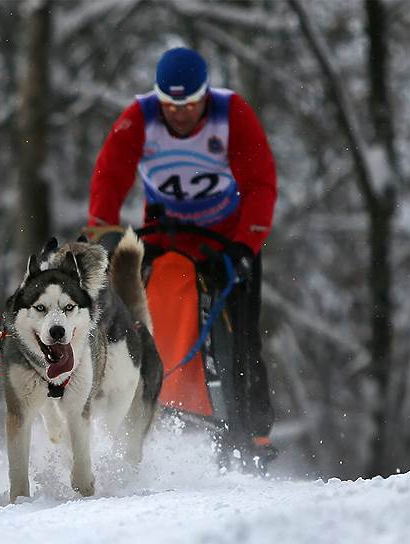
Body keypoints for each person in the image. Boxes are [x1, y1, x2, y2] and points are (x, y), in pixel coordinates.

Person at [83, 46, 277, 459]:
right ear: (158, 99)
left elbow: (260, 184)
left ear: (205, 95)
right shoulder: (139, 118)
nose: (180, 113)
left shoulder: (232, 114)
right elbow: (109, 176)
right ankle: (139, 402)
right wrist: (103, 231)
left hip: (228, 240)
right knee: (134, 314)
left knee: (243, 334)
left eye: (189, 104)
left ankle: (254, 434)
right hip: (167, 236)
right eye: (170, 104)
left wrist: (247, 245)